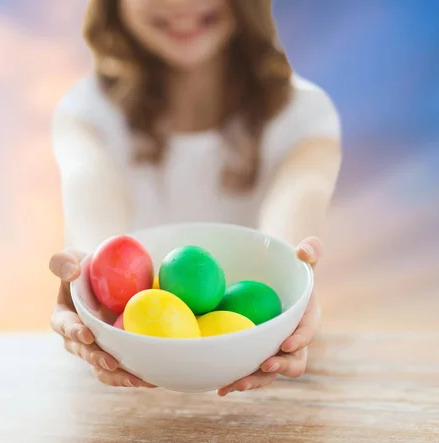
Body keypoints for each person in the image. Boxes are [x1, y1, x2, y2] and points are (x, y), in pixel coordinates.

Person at [48, 0, 341, 396]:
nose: (180, 5)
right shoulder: (86, 112)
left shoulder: (304, 111)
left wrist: (294, 274)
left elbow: (299, 197)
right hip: (125, 382)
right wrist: (86, 274)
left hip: (274, 388)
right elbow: (92, 191)